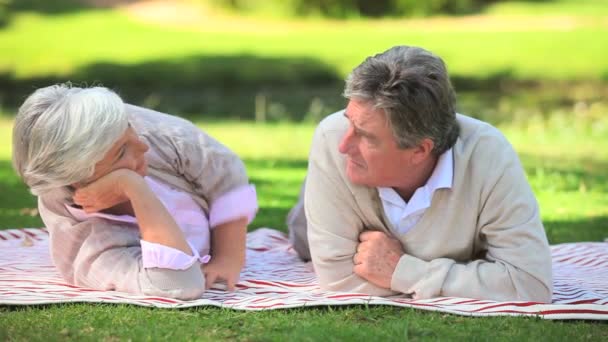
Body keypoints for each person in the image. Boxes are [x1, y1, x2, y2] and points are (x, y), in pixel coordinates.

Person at [287, 45, 552, 302]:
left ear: (420, 150)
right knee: (302, 235)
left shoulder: (488, 155)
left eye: (366, 136)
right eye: (349, 122)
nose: (344, 145)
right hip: (310, 224)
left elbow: (529, 285)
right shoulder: (331, 139)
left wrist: (403, 271)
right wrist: (471, 282)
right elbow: (338, 280)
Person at [12, 84, 257, 300]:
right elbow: (179, 284)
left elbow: (225, 168)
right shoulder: (86, 243)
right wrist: (134, 187)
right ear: (78, 180)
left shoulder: (132, 128)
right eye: (121, 152)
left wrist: (229, 256)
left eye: (129, 128)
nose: (143, 146)